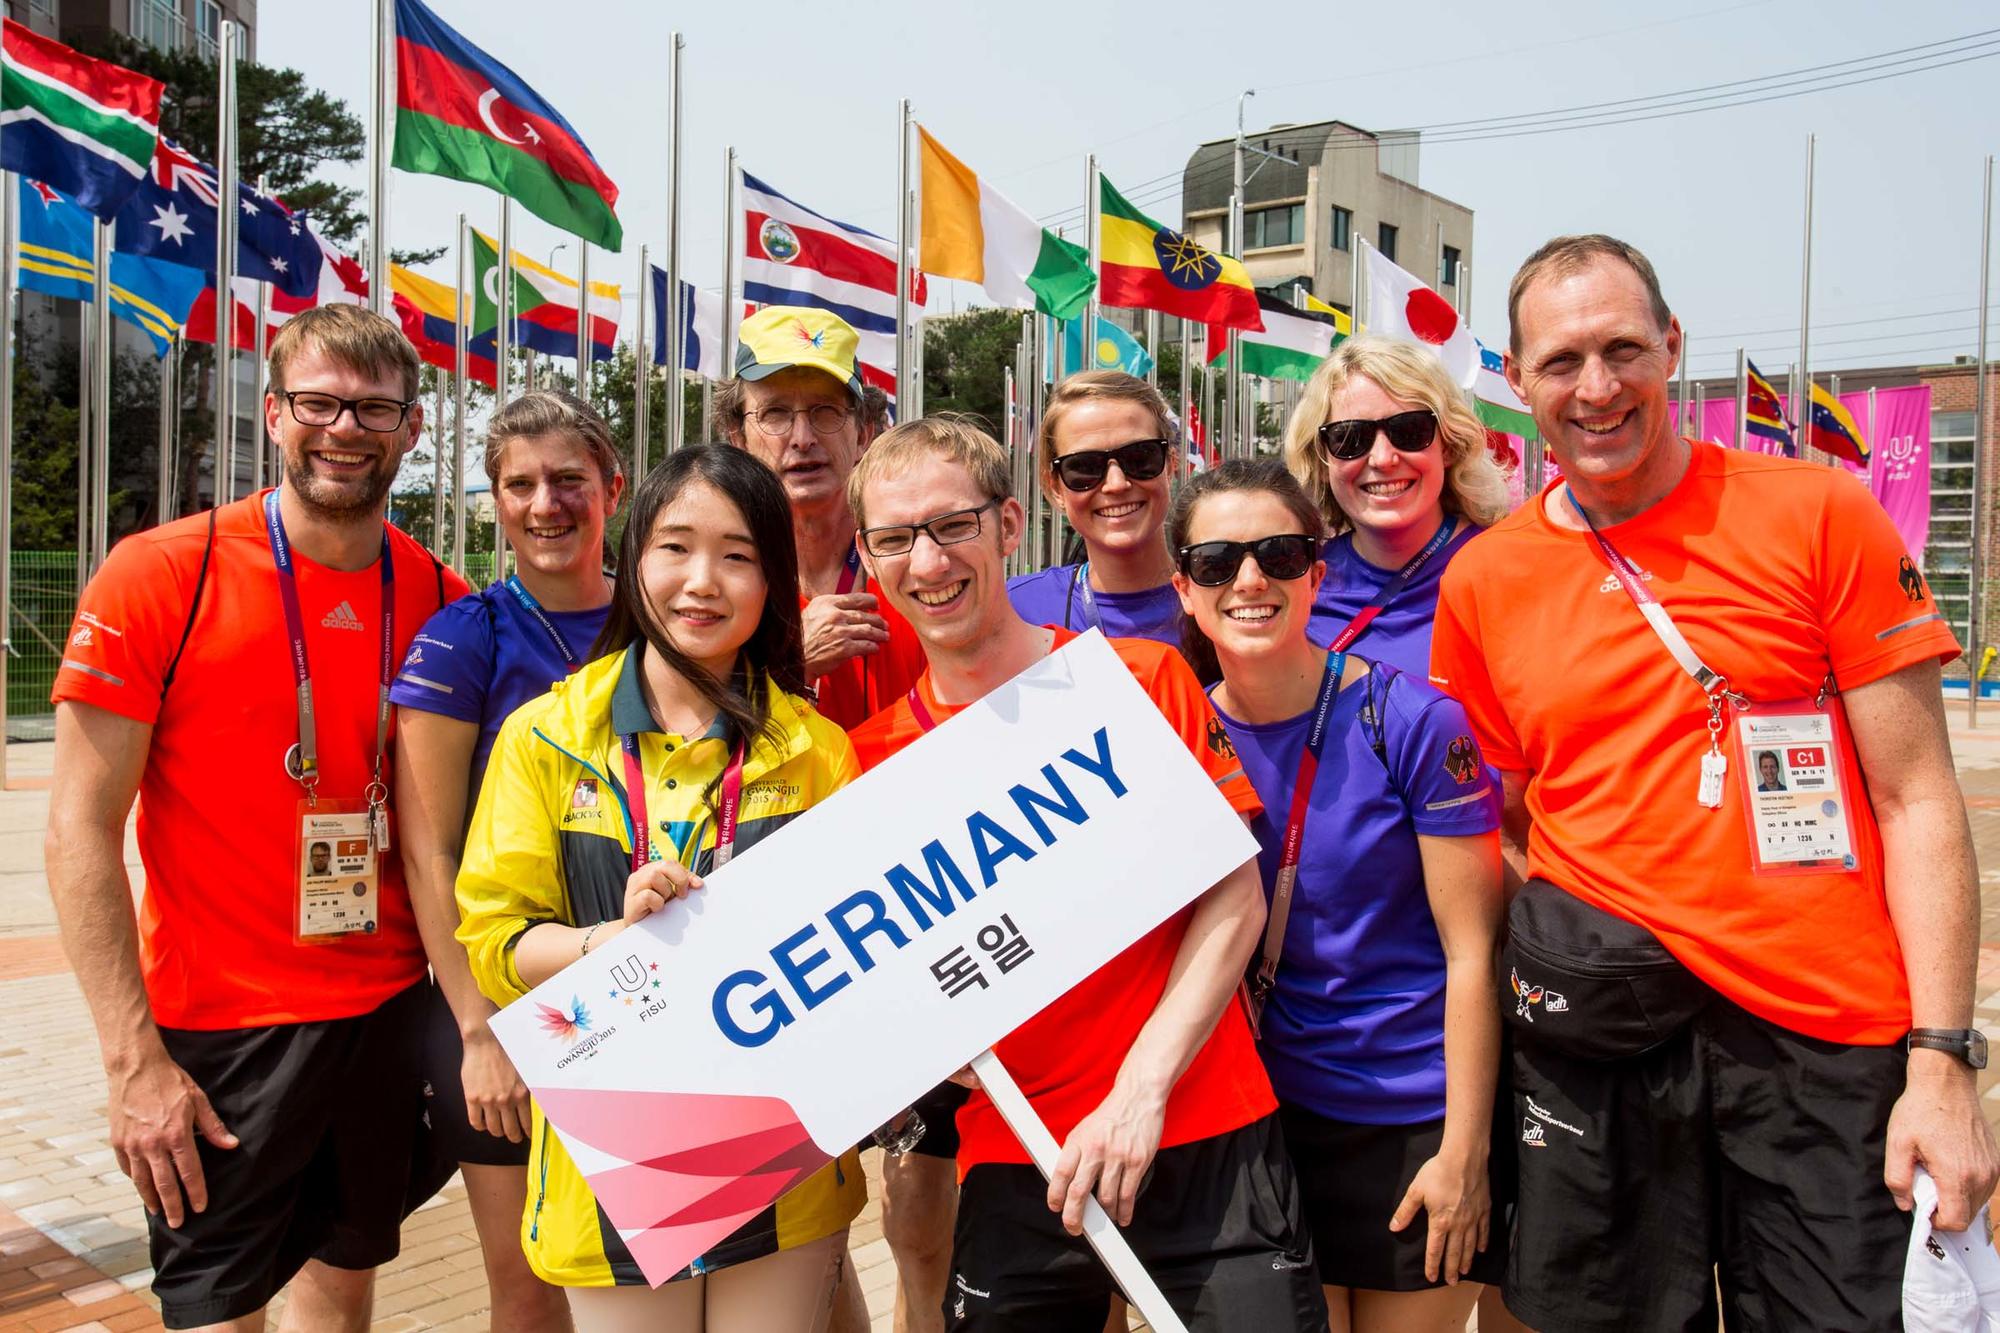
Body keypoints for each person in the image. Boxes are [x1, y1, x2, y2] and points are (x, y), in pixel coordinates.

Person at [1431, 232, 1999, 1331]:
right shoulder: (1485, 580)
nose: (1594, 388)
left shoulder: (1817, 512)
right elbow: (1503, 824)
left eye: (1620, 349)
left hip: (1822, 1039)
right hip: (1604, 1040)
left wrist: (1939, 1064)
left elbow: (1916, 798)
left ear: (1671, 348)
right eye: (1559, 362)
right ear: (1514, 379)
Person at [845, 415, 1327, 1332]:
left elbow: (1235, 892)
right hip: (1018, 1158)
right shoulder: (867, 764)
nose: (930, 561)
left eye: (953, 525)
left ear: (1011, 524)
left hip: (1205, 1126)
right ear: (869, 556)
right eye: (897, 538)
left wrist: (1140, 1094)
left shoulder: (1139, 680)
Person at [44, 304, 467, 1331]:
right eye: (318, 403)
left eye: (375, 408)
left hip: (381, 1014)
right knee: (216, 1312)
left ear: (412, 429)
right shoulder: (160, 573)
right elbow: (75, 830)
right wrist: (132, 1060)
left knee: (341, 1288)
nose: (345, 429)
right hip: (218, 1028)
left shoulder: (439, 596)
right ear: (274, 415)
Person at [455, 445, 866, 1331]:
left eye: (738, 554)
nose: (702, 581)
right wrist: (609, 943)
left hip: (785, 1153)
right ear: (634, 555)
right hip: (614, 1155)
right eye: (675, 547)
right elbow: (495, 943)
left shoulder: (818, 750)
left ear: (774, 582)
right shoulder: (545, 737)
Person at [1168, 458, 1505, 1333]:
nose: (1249, 579)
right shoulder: (1175, 744)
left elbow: (1474, 952)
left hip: (1414, 1119)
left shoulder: (1415, 721)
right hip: (1264, 1127)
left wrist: (1465, 1151)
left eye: (1278, 553)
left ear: (1318, 572)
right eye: (1217, 562)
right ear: (1186, 589)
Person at [713, 304, 946, 1333]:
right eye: (774, 414)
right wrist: (772, 665)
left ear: (862, 430)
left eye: (822, 411)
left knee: (919, 1223)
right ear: (739, 434)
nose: (799, 437)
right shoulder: (703, 571)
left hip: (904, 929)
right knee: (794, 1230)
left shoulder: (913, 560)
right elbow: (655, 736)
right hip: (763, 948)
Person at [392, 389, 625, 1332]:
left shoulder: (661, 627)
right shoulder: (463, 638)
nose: (545, 504)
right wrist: (480, 1030)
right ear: (494, 499)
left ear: (612, 488)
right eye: (519, 484)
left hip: (644, 988)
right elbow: (428, 849)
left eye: (568, 479)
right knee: (529, 1285)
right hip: (510, 1007)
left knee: (651, 1264)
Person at [1282, 336, 1509, 677]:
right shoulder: (1297, 584)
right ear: (1322, 460)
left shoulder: (1508, 569)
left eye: (1410, 430)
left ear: (1448, 444)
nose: (1383, 459)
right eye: (1350, 439)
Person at [1006, 370, 1184, 645]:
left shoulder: (1226, 603)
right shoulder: (1015, 611)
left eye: (1140, 458)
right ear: (1054, 485)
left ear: (1171, 464)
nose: (1116, 484)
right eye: (1085, 467)